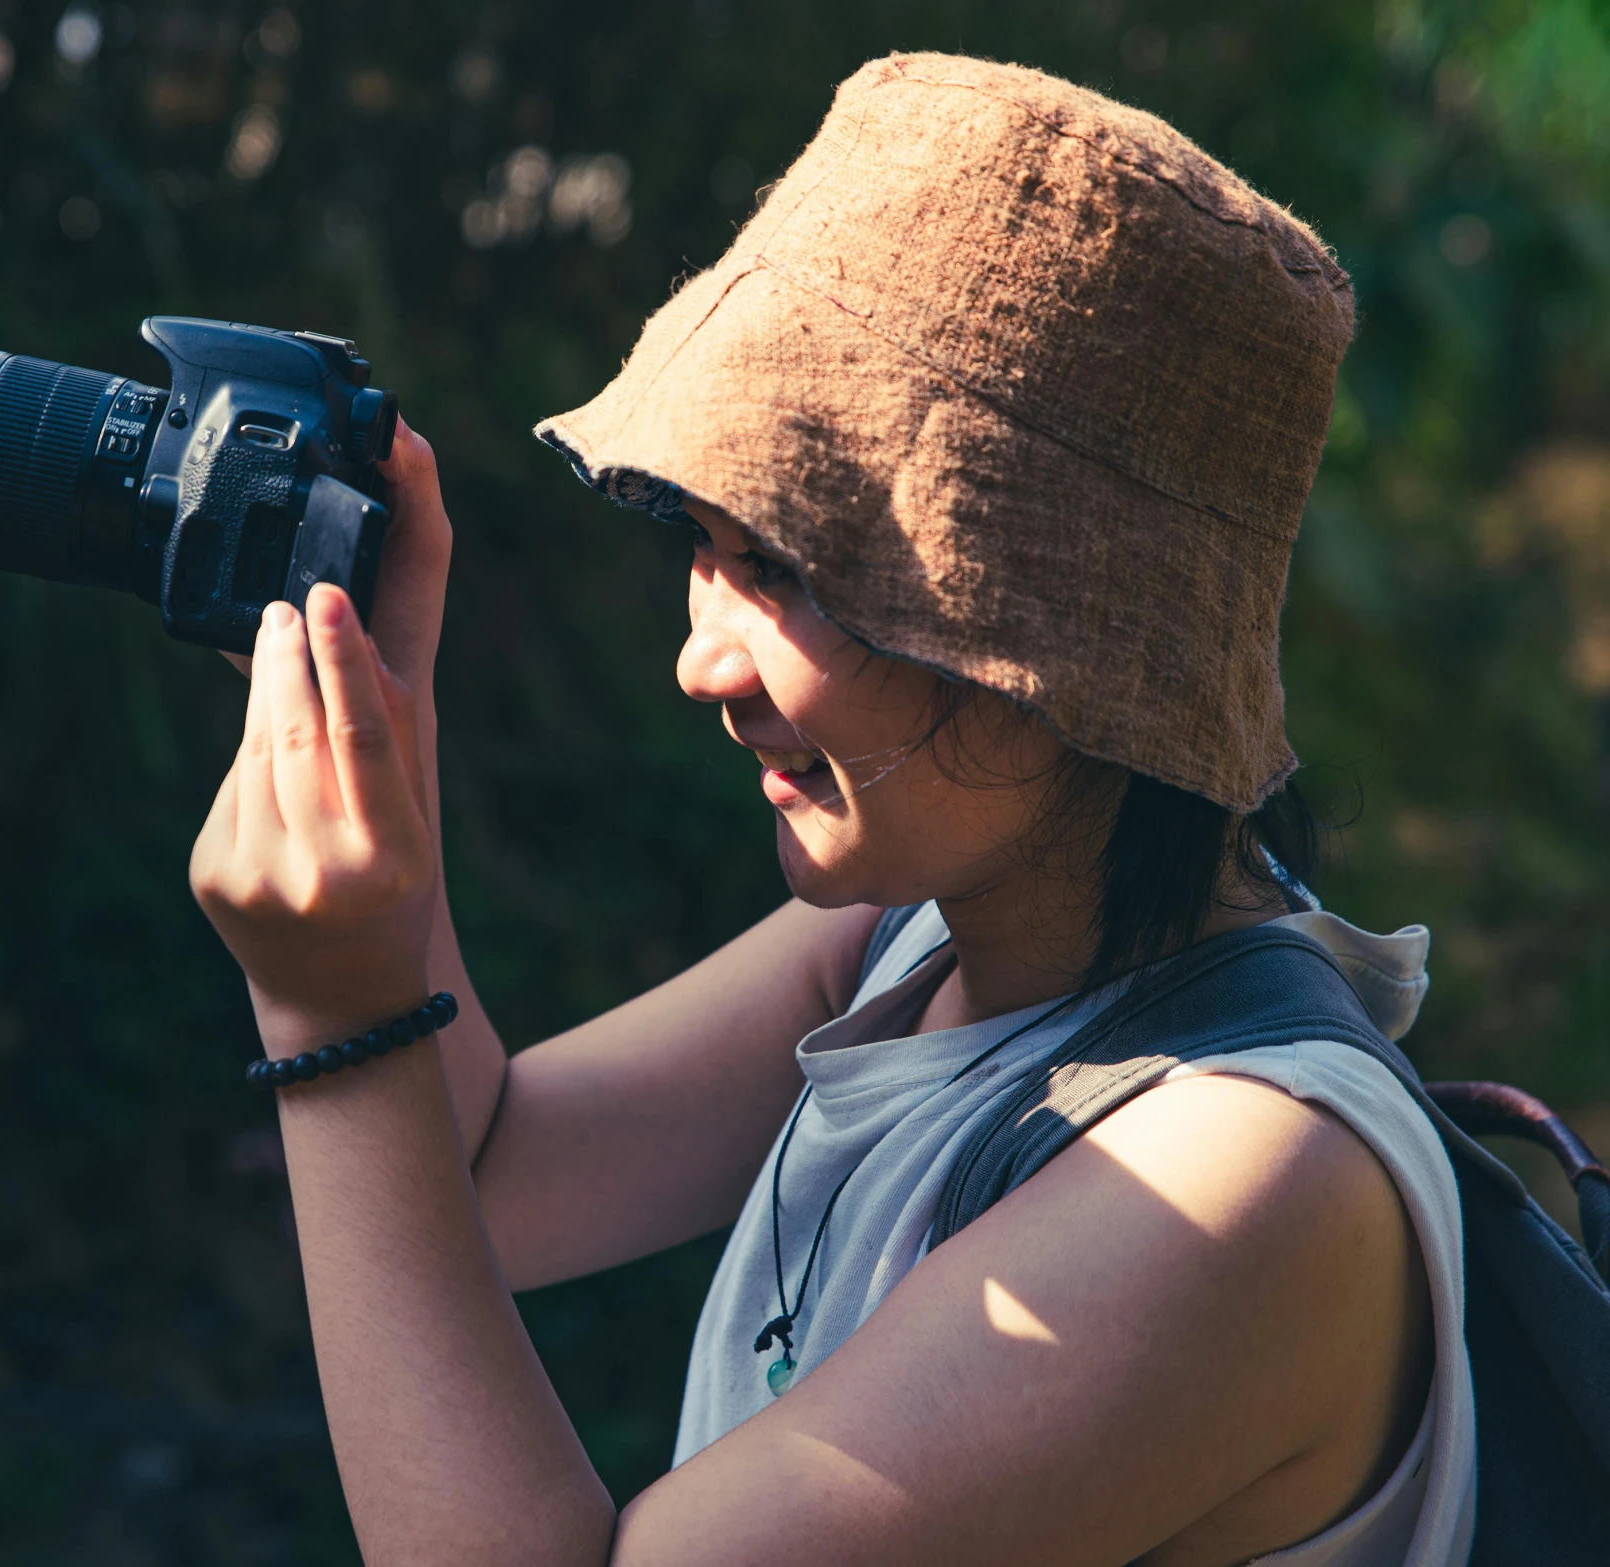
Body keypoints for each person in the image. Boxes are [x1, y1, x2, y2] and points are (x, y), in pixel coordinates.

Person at [187, 54, 1472, 1567]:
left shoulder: (1241, 1179)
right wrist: (378, 711)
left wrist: (320, 1008)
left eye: (787, 570)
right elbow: (482, 1172)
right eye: (702, 543)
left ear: (1048, 633)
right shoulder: (917, 945)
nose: (698, 659)